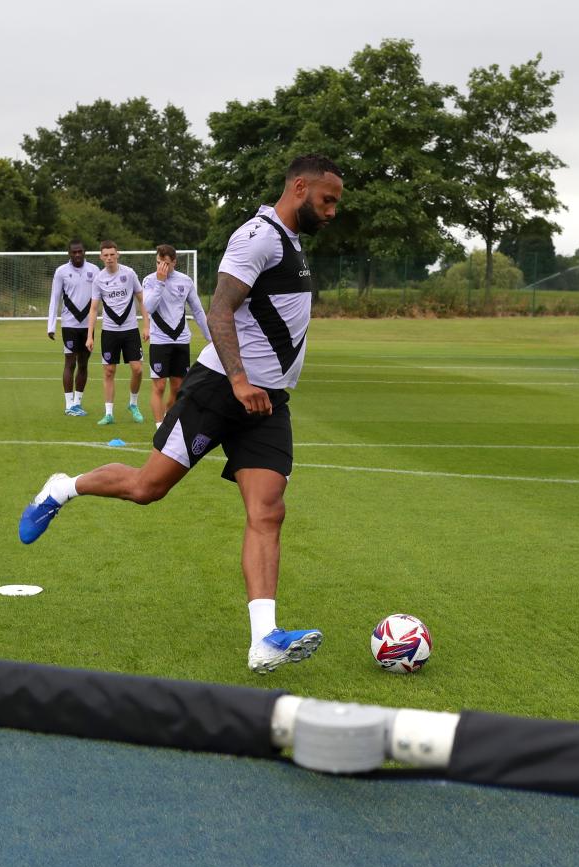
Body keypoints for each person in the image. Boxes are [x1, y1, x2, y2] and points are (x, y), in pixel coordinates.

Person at [18, 154, 344, 674]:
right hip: (221, 388)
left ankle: (264, 640)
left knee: (268, 511)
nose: (331, 212)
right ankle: (63, 488)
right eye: (327, 201)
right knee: (147, 487)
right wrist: (239, 380)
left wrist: (258, 386)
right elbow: (219, 309)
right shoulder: (257, 237)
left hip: (267, 403)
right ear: (300, 188)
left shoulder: (293, 242)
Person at [141, 244, 210, 428]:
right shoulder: (149, 280)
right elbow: (149, 307)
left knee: (178, 388)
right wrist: (160, 282)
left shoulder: (185, 281)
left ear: (174, 262)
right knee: (159, 386)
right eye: (158, 263)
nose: (161, 267)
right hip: (159, 341)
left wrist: (210, 337)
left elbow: (198, 310)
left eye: (165, 263)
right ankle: (159, 427)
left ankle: (168, 421)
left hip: (181, 340)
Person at [86, 241, 147, 425]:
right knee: (109, 371)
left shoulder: (129, 274)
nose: (109, 258)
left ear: (117, 254)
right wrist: (90, 336)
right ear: (101, 257)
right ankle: (109, 414)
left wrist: (147, 326)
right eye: (105, 255)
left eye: (112, 254)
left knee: (137, 369)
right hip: (109, 332)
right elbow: (93, 308)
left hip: (130, 330)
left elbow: (142, 300)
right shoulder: (98, 279)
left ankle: (133, 404)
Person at [47, 239, 99, 416]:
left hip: (88, 326)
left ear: (84, 252)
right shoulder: (61, 271)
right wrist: (51, 326)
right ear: (69, 253)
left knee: (83, 364)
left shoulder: (94, 270)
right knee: (70, 362)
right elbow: (55, 299)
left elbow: (99, 297)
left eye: (80, 251)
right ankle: (69, 404)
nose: (77, 254)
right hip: (69, 324)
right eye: (74, 252)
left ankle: (78, 402)